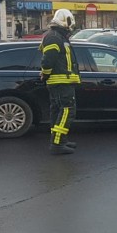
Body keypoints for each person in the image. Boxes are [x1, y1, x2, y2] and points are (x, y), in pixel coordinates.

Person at [40, 9, 81, 155]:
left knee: (57, 111)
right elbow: (47, 61)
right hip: (61, 82)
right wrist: (45, 75)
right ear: (66, 21)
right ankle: (57, 143)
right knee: (67, 110)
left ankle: (60, 139)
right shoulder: (54, 37)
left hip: (62, 81)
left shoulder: (58, 36)